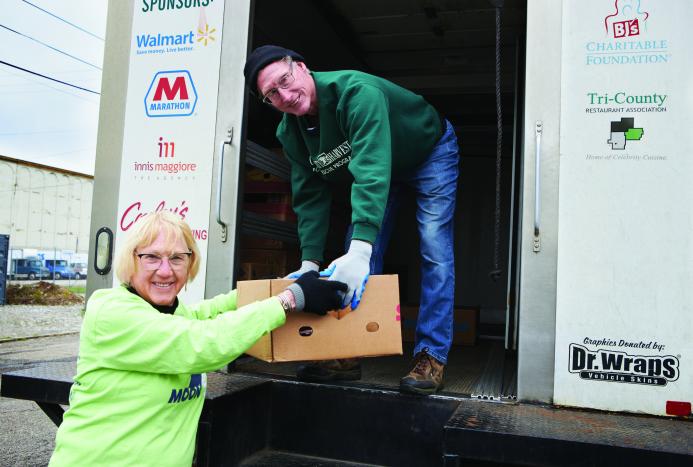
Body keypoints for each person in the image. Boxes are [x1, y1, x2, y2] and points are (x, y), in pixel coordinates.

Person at [48, 212, 346, 466]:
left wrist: (275, 288)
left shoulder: (172, 314)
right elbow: (203, 342)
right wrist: (286, 300)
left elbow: (208, 312)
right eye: (151, 257)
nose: (165, 270)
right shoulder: (112, 313)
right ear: (131, 261)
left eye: (178, 258)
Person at [243, 45, 460, 395]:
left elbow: (371, 171)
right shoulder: (290, 134)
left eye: (285, 80)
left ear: (301, 67)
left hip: (427, 151)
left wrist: (361, 250)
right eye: (272, 94)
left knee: (433, 246)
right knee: (354, 257)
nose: (284, 95)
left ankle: (431, 355)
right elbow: (310, 199)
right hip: (379, 166)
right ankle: (345, 352)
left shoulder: (356, 94)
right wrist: (309, 263)